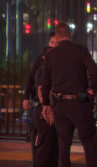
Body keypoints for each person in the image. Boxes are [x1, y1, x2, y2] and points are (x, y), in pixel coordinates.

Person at [41, 22, 97, 167]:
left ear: (56, 36)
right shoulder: (81, 51)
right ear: (71, 34)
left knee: (63, 142)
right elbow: (94, 70)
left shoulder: (51, 55)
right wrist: (94, 89)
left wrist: (46, 104)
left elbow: (45, 82)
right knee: (89, 141)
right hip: (79, 103)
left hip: (59, 105)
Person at [22, 32, 58, 167]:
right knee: (42, 139)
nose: (54, 45)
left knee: (49, 140)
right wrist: (26, 98)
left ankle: (43, 162)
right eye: (52, 42)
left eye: (56, 42)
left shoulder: (57, 61)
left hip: (46, 104)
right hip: (42, 104)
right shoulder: (42, 62)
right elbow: (33, 80)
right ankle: (37, 161)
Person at [33, 46, 58, 167]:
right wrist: (46, 109)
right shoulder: (43, 71)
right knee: (45, 149)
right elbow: (41, 91)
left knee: (52, 149)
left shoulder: (47, 70)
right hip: (45, 113)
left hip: (47, 110)